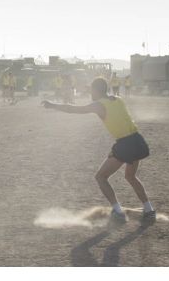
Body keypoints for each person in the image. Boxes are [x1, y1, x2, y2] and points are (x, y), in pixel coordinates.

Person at [42, 77, 156, 224]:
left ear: (96, 90)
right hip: (137, 140)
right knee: (130, 177)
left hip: (125, 144)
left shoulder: (98, 105)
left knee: (101, 177)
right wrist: (116, 149)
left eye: (91, 89)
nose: (90, 92)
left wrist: (53, 105)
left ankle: (118, 211)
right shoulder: (117, 99)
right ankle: (149, 209)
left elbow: (75, 109)